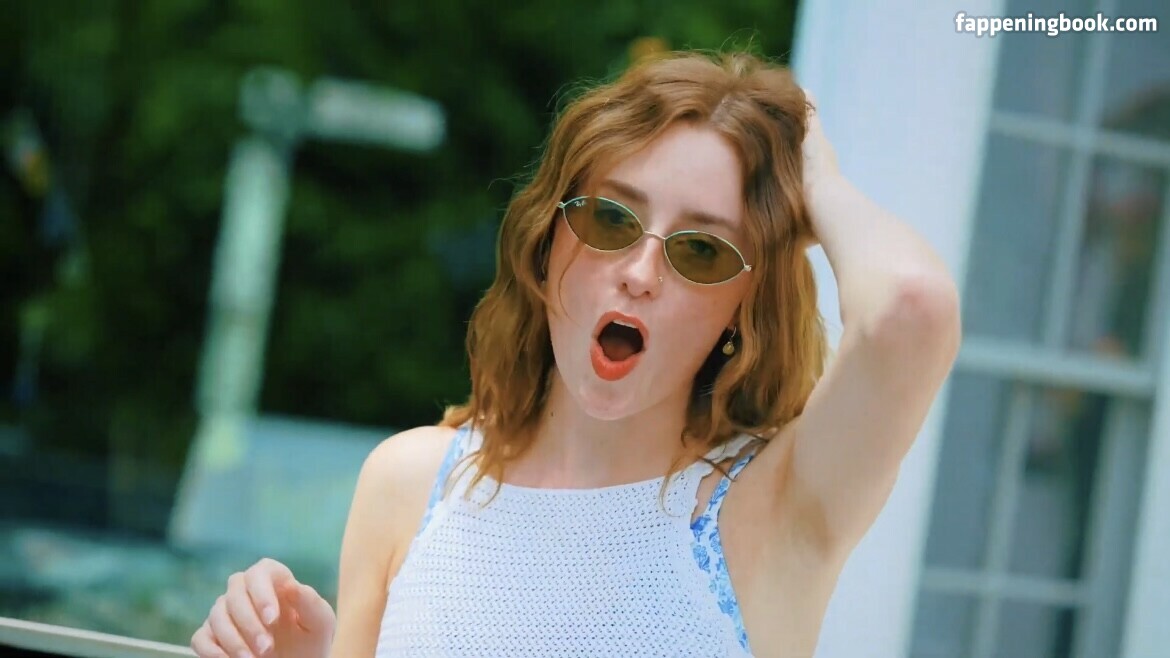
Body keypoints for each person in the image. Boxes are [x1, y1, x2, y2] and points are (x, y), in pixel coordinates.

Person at [189, 48, 961, 658]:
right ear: (548, 239)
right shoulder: (408, 483)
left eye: (700, 250)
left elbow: (911, 309)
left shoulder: (773, 507)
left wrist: (812, 173)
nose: (640, 271)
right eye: (612, 219)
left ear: (741, 309)